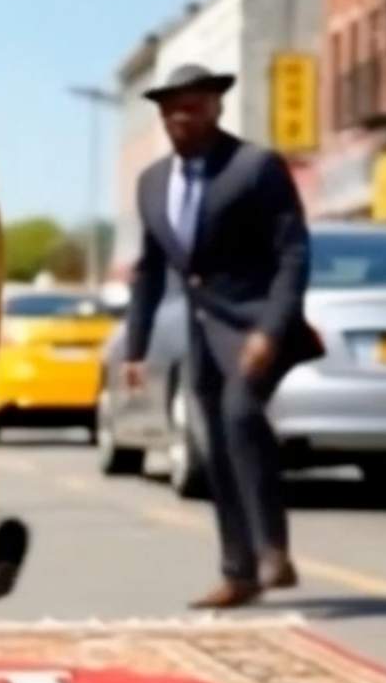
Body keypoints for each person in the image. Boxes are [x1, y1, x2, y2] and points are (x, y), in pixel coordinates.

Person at [120, 62, 323, 610]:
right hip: (201, 332)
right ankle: (239, 572)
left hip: (258, 323)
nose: (178, 117)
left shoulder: (256, 168)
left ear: (215, 108)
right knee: (214, 449)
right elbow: (151, 270)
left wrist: (272, 329)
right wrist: (135, 349)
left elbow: (293, 254)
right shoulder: (154, 182)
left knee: (240, 414)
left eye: (190, 105)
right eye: (168, 109)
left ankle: (272, 552)